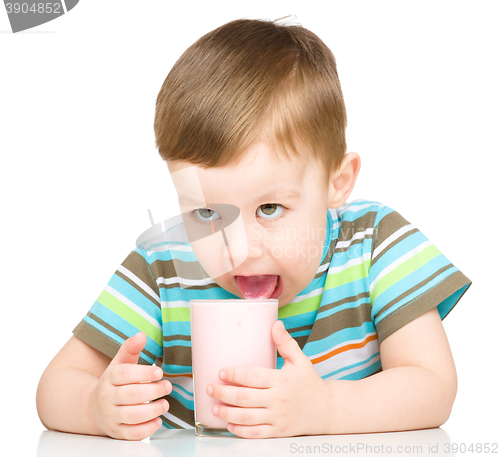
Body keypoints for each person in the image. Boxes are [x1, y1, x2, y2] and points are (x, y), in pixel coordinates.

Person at [36, 18, 471, 441]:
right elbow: (55, 385)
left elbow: (432, 385)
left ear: (336, 183)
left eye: (269, 208)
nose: (237, 250)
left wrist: (325, 408)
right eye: (208, 215)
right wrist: (96, 406)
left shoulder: (374, 244)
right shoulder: (164, 269)